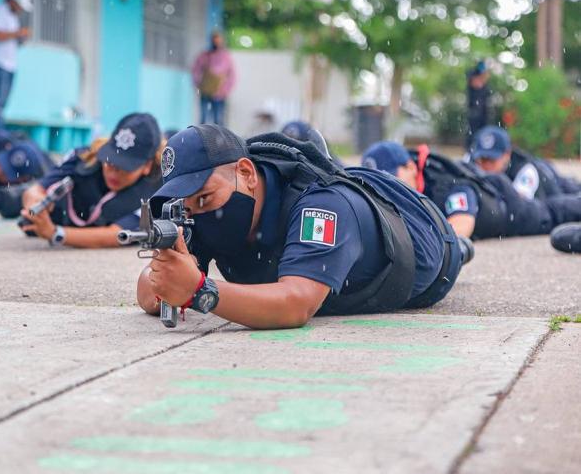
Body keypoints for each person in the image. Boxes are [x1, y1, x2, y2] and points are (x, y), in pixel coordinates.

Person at [136, 125, 470, 331]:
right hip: (359, 213)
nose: (198, 212)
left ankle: (465, 246)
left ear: (246, 174)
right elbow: (147, 292)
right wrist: (165, 273)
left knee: (458, 245)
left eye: (205, 198)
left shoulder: (321, 206)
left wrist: (197, 291)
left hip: (424, 240)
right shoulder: (207, 207)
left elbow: (296, 304)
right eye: (188, 205)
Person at [362, 140, 581, 242]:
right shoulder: (407, 187)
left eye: (388, 177)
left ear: (410, 167)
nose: (383, 186)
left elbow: (460, 226)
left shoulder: (442, 182)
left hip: (507, 206)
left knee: (552, 212)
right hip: (492, 191)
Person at [19, 113, 163, 248]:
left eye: (124, 167)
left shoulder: (158, 189)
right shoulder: (84, 157)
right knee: (12, 198)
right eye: (110, 161)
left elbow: (116, 234)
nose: (113, 172)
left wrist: (55, 233)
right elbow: (35, 190)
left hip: (65, 227)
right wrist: (35, 206)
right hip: (59, 210)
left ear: (147, 166)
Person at [469, 125, 581, 201]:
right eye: (483, 159)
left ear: (507, 155)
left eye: (492, 160)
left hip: (551, 183)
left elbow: (519, 204)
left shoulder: (524, 170)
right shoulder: (472, 164)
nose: (486, 165)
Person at [0, 0, 33, 130]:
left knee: (3, 104)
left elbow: (12, 39)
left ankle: (1, 134)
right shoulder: (0, 11)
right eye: (20, 6)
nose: (21, 10)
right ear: (13, 1)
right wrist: (17, 33)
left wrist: (21, 37)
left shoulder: (14, 18)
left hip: (10, 65)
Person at [192, 30, 236, 126]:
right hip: (205, 92)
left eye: (218, 40)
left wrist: (224, 90)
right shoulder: (204, 55)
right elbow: (195, 70)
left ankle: (219, 140)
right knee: (203, 120)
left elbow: (232, 76)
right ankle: (201, 139)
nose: (216, 42)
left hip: (219, 95)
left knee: (218, 121)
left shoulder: (226, 57)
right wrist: (199, 85)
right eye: (214, 40)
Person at [465, 60, 491, 148]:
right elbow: (476, 84)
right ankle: (470, 148)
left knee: (483, 131)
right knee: (473, 132)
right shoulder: (473, 75)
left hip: (483, 112)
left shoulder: (485, 86)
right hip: (474, 111)